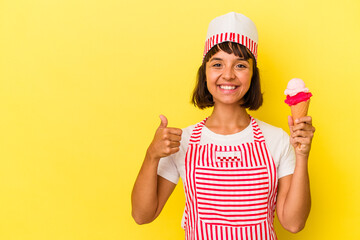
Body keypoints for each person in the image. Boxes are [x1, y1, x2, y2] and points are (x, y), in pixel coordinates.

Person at [131, 12, 315, 239]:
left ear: (252, 75)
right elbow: (142, 215)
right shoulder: (183, 141)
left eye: (240, 66)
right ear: (204, 73)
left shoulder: (277, 140)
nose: (228, 75)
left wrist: (302, 155)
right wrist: (152, 155)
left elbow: (294, 223)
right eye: (217, 64)